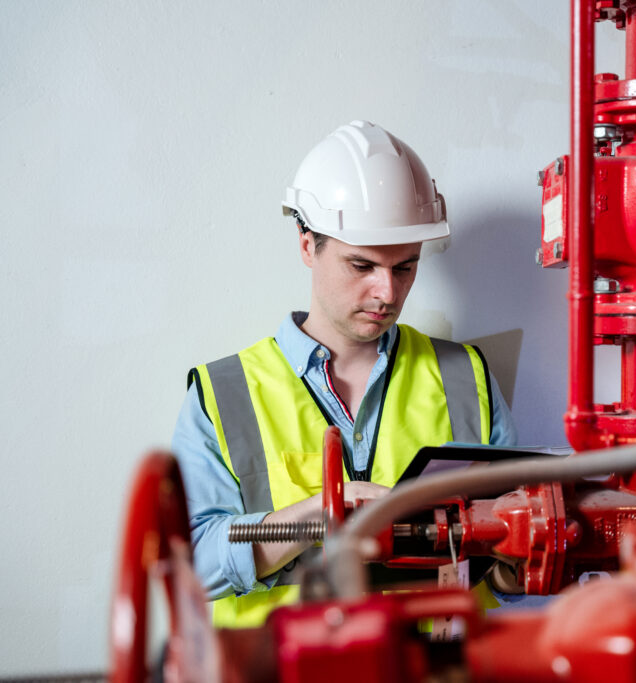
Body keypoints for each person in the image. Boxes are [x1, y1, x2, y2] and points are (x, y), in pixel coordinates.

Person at [171, 120, 517, 628]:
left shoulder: (466, 378)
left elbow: (512, 553)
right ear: (307, 244)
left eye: (405, 267)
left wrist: (516, 562)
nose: (387, 293)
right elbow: (189, 568)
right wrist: (325, 509)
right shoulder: (224, 394)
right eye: (362, 266)